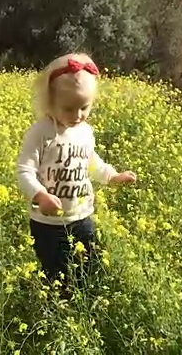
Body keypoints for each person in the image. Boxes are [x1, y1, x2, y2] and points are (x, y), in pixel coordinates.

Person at [15, 53, 137, 298]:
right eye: (68, 108)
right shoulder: (41, 132)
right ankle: (56, 311)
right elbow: (24, 170)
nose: (77, 115)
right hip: (48, 224)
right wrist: (40, 195)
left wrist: (112, 176)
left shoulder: (85, 132)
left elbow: (92, 162)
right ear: (51, 101)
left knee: (91, 265)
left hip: (82, 216)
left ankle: (87, 304)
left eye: (84, 107)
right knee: (56, 275)